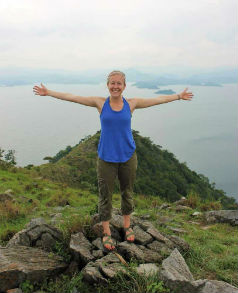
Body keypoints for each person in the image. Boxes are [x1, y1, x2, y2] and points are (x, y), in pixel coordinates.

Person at [33, 70, 193, 251]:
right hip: (106, 158)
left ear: (124, 86)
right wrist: (49, 92)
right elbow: (73, 97)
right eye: (112, 83)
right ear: (107, 85)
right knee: (105, 194)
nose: (115, 86)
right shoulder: (100, 103)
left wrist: (179, 96)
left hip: (128, 156)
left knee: (127, 191)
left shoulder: (131, 104)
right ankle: (107, 232)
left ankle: (127, 225)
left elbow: (158, 100)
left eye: (119, 83)